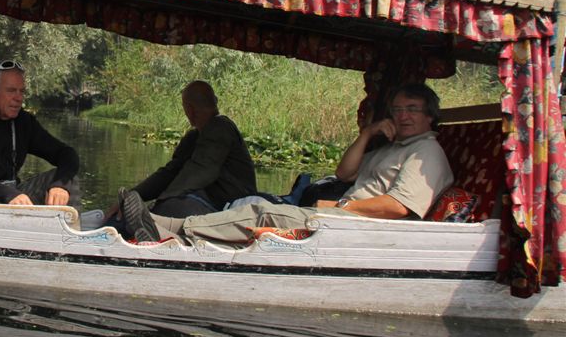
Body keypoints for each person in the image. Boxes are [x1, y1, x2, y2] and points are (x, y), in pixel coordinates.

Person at [121, 82, 453, 245]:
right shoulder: (394, 147)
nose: (403, 116)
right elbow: (344, 172)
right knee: (257, 208)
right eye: (397, 110)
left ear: (429, 116)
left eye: (412, 110)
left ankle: (173, 236)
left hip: (355, 226)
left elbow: (397, 207)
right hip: (345, 215)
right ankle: (157, 227)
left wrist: (342, 209)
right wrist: (367, 134)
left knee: (262, 212)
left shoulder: (426, 153)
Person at [109, 81, 256, 222]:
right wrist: (133, 195)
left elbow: (201, 170)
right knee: (164, 206)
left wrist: (162, 201)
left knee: (171, 206)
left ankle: (151, 223)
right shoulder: (194, 137)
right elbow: (170, 173)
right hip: (209, 204)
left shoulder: (220, 127)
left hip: (233, 209)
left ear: (189, 110)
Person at [0, 60, 80, 207]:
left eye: (21, 91)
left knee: (68, 180)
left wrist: (59, 185)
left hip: (13, 194)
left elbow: (67, 154)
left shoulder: (24, 121)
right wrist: (5, 193)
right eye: (11, 91)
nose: (18, 98)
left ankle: (68, 228)